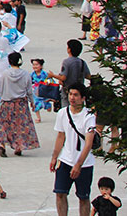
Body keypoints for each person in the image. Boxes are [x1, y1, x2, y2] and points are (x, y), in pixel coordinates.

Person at [51, 84, 97, 216]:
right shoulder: (63, 113)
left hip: (84, 163)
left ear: (83, 98)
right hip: (65, 159)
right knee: (60, 193)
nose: (72, 98)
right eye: (70, 94)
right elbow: (61, 136)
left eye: (76, 95)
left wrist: (78, 165)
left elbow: (88, 144)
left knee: (83, 197)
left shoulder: (88, 116)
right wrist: (54, 157)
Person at [0, 51, 39, 157]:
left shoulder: (5, 74)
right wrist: (32, 102)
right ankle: (19, 146)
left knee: (4, 124)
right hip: (21, 103)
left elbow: (1, 88)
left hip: (7, 102)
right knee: (20, 125)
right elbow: (29, 90)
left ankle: (2, 144)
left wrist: (2, 98)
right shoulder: (25, 74)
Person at [48, 39, 91, 110]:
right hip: (79, 91)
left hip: (67, 91)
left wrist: (52, 75)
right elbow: (88, 76)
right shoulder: (82, 62)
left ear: (69, 50)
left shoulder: (66, 62)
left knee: (66, 110)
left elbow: (63, 77)